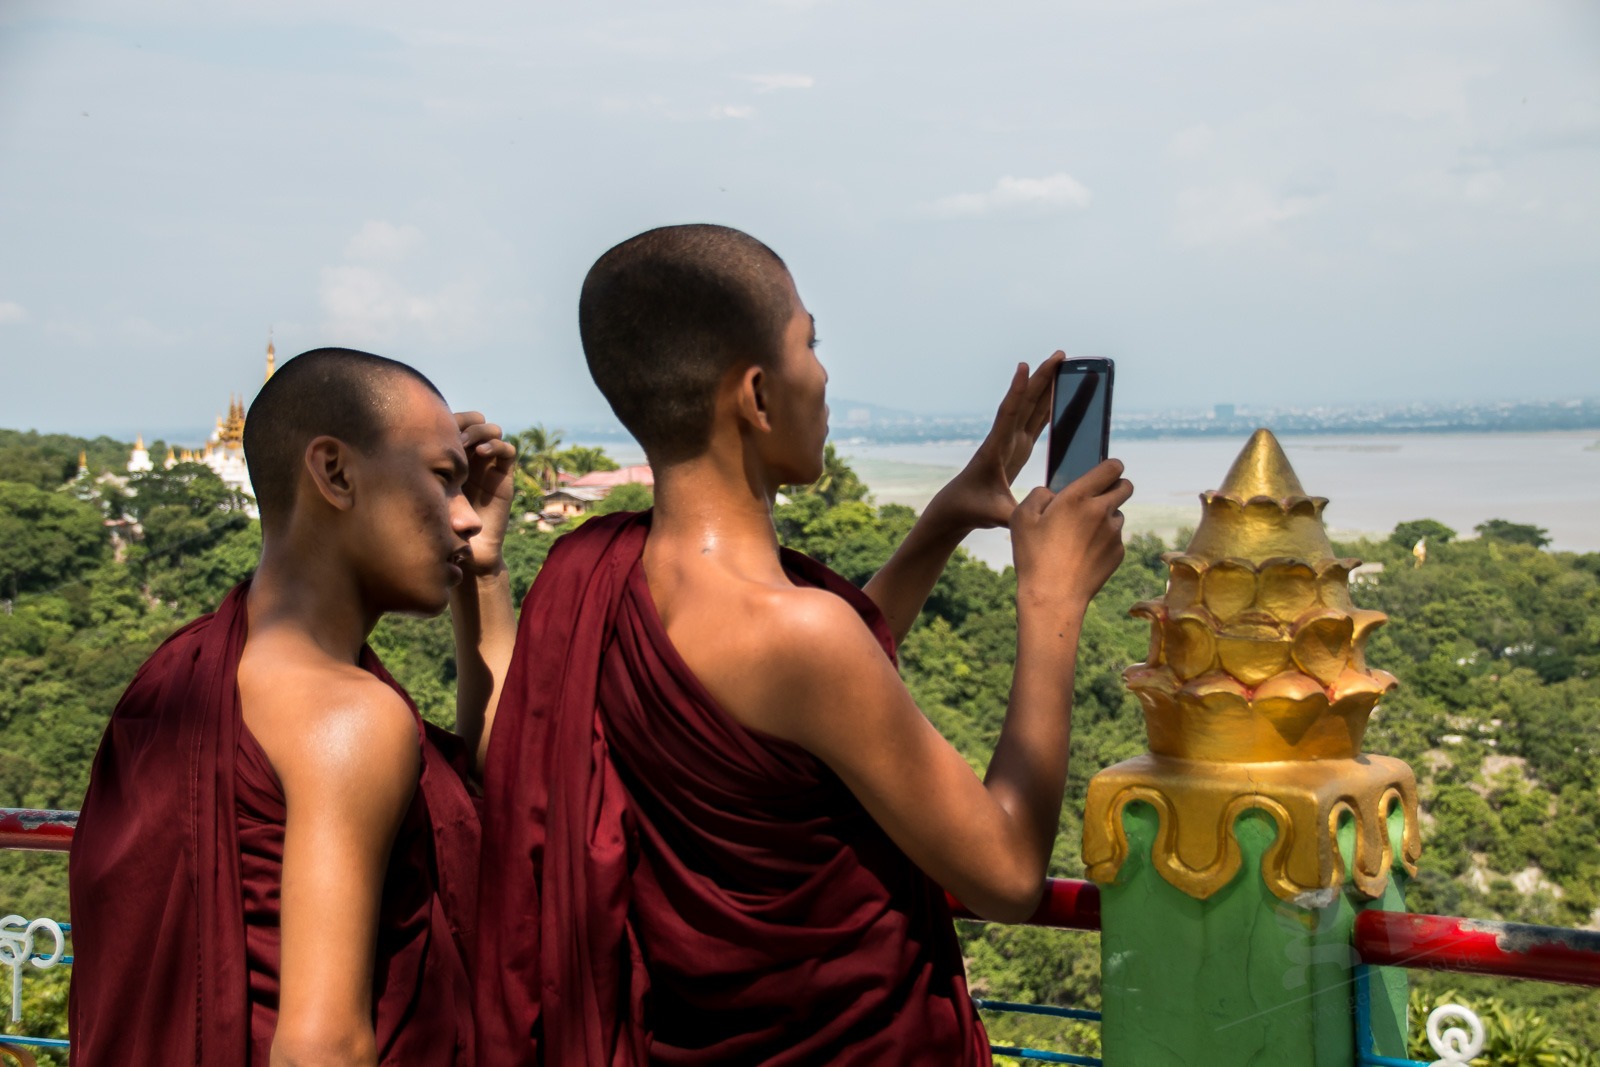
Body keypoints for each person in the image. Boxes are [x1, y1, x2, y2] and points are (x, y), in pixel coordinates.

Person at [477, 224, 1132, 1065]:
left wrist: (945, 518)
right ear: (757, 395)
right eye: (809, 344)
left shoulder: (593, 573)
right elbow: (1005, 875)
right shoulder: (799, 637)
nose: (823, 376)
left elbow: (808, 695)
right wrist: (1053, 601)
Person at [68, 348, 518, 1067]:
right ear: (334, 473)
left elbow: (476, 792)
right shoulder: (347, 718)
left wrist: (484, 572)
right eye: (442, 480)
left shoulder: (181, 675)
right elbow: (321, 1049)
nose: (465, 518)